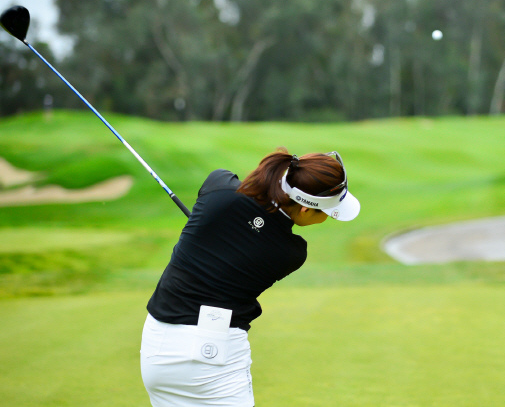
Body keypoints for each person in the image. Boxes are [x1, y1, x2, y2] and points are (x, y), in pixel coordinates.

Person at [140, 147, 360, 407]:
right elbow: (257, 229)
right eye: (327, 213)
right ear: (304, 210)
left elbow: (231, 186)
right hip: (212, 357)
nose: (327, 218)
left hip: (156, 348)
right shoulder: (291, 252)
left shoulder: (218, 189)